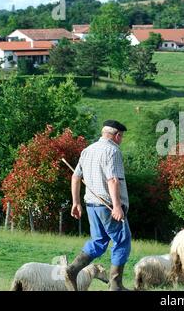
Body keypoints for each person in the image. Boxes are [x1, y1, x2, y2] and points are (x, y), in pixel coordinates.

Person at [65, 120, 131, 291]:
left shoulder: (87, 150)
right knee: (122, 241)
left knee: (99, 241)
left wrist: (76, 202)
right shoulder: (112, 150)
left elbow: (75, 177)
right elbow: (113, 179)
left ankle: (72, 270)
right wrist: (117, 206)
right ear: (116, 135)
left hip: (91, 205)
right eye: (121, 136)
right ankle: (116, 285)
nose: (121, 139)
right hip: (108, 206)